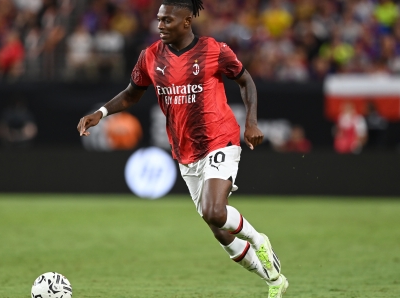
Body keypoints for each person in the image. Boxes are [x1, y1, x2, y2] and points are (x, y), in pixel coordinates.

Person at [77, 1, 288, 297]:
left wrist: (251, 122)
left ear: (187, 21)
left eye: (167, 20)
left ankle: (258, 240)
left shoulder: (214, 50)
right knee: (219, 229)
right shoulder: (150, 56)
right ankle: (274, 278)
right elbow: (131, 94)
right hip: (185, 152)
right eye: (159, 20)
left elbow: (246, 80)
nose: (160, 25)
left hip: (220, 138)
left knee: (215, 211)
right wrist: (100, 112)